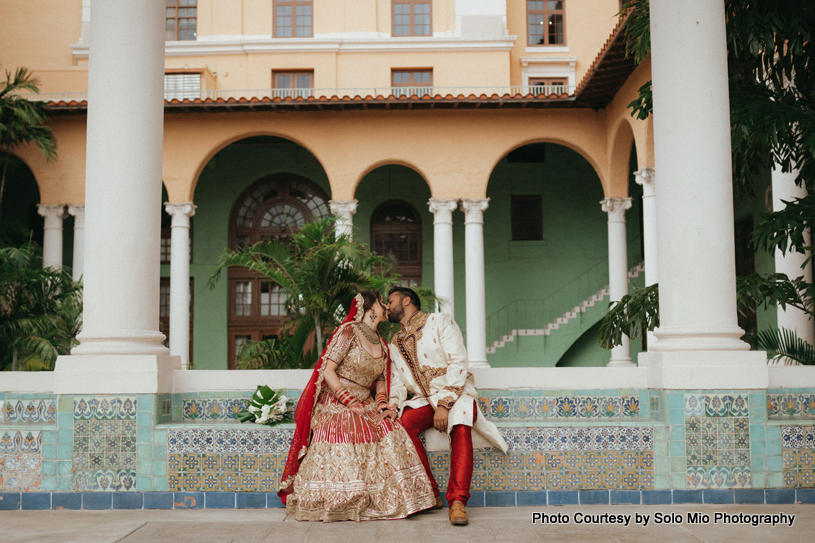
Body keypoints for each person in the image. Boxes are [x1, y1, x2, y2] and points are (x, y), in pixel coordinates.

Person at [279, 290, 436, 522]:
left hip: (366, 402)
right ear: (371, 307)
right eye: (383, 302)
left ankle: (399, 498)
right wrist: (348, 400)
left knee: (390, 428)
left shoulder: (382, 344)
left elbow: (381, 381)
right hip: (337, 402)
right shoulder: (348, 331)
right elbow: (328, 370)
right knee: (349, 429)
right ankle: (347, 499)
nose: (387, 306)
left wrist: (383, 404)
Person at [386, 286, 509, 526]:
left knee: (461, 426)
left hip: (457, 391)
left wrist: (444, 404)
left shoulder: (439, 321)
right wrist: (392, 406)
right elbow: (398, 383)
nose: (387, 306)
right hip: (425, 399)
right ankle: (431, 492)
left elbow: (458, 361)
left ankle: (457, 502)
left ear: (407, 300)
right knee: (403, 425)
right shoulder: (395, 342)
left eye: (391, 301)